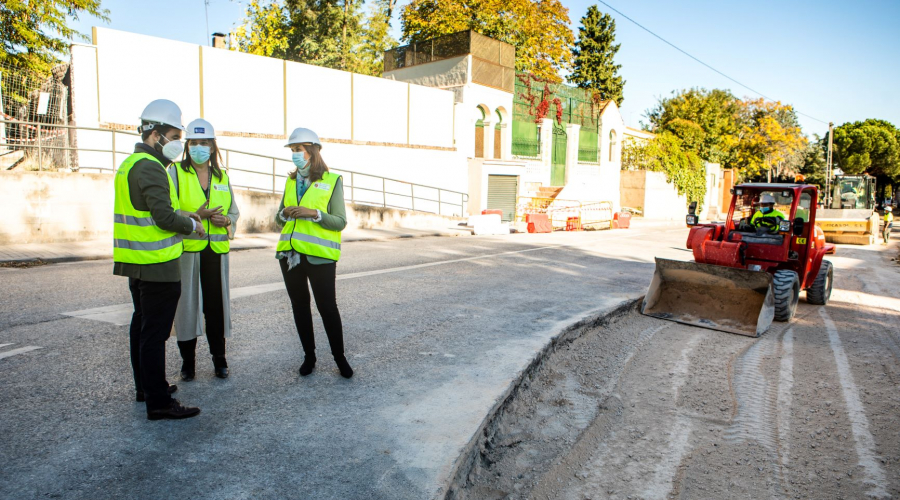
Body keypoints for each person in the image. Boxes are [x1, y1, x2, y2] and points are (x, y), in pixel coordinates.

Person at [113, 99, 203, 420]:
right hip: (157, 265)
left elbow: (148, 211)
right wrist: (191, 224)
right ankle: (159, 402)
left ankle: (147, 387)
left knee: (142, 326)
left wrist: (183, 214)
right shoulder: (151, 167)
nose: (179, 143)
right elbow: (163, 217)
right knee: (155, 333)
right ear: (155, 134)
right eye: (175, 135)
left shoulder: (130, 164)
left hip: (136, 262)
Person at [275, 127, 353, 378]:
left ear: (313, 151)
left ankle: (339, 358)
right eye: (293, 150)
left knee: (327, 307)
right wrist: (284, 213)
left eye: (299, 150)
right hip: (290, 255)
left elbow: (340, 221)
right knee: (299, 306)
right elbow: (278, 218)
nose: (295, 155)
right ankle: (309, 357)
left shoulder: (332, 180)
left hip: (320, 256)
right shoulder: (290, 181)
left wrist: (314, 214)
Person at [168, 119, 240, 381]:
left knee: (216, 306)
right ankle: (188, 364)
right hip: (188, 250)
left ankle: (219, 360)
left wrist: (227, 221)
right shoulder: (175, 172)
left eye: (204, 143)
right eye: (194, 143)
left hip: (216, 251)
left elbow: (233, 211)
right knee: (187, 306)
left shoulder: (222, 176)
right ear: (188, 145)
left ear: (212, 146)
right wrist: (194, 217)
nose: (199, 147)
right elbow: (169, 211)